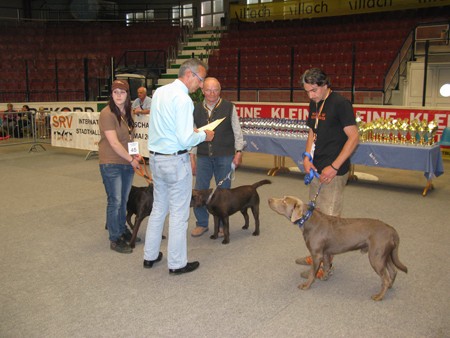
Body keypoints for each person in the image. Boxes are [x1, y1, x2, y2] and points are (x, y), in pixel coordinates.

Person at [143, 58, 214, 274]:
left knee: (158, 209)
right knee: (179, 214)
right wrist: (204, 135)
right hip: (175, 161)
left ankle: (150, 255)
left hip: (156, 158)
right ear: (190, 75)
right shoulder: (183, 100)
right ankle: (177, 263)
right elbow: (185, 139)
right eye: (200, 80)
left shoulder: (160, 92)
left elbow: (168, 128)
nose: (201, 86)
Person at [299, 68, 359, 276]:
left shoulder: (341, 104)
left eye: (314, 90)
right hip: (315, 168)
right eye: (307, 91)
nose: (311, 95)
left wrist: (334, 167)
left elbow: (354, 138)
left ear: (325, 85)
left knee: (329, 222)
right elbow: (312, 132)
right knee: (315, 217)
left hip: (334, 171)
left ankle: (326, 264)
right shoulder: (314, 102)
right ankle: (317, 254)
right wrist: (307, 157)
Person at [190, 77, 245, 237]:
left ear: (220, 90)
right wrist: (192, 158)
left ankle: (221, 224)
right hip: (203, 156)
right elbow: (192, 134)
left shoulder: (229, 107)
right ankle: (201, 223)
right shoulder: (195, 109)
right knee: (199, 191)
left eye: (215, 90)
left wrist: (239, 151)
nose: (212, 93)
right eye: (208, 90)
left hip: (225, 155)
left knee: (223, 192)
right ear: (202, 91)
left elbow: (237, 131)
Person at [99, 79, 142, 254]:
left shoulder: (127, 112)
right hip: (111, 163)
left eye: (122, 92)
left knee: (123, 201)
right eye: (115, 92)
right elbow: (115, 144)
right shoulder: (107, 113)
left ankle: (121, 228)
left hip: (125, 162)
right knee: (115, 201)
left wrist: (135, 154)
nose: (118, 95)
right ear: (111, 94)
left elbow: (130, 139)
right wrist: (132, 160)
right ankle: (115, 238)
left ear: (127, 95)